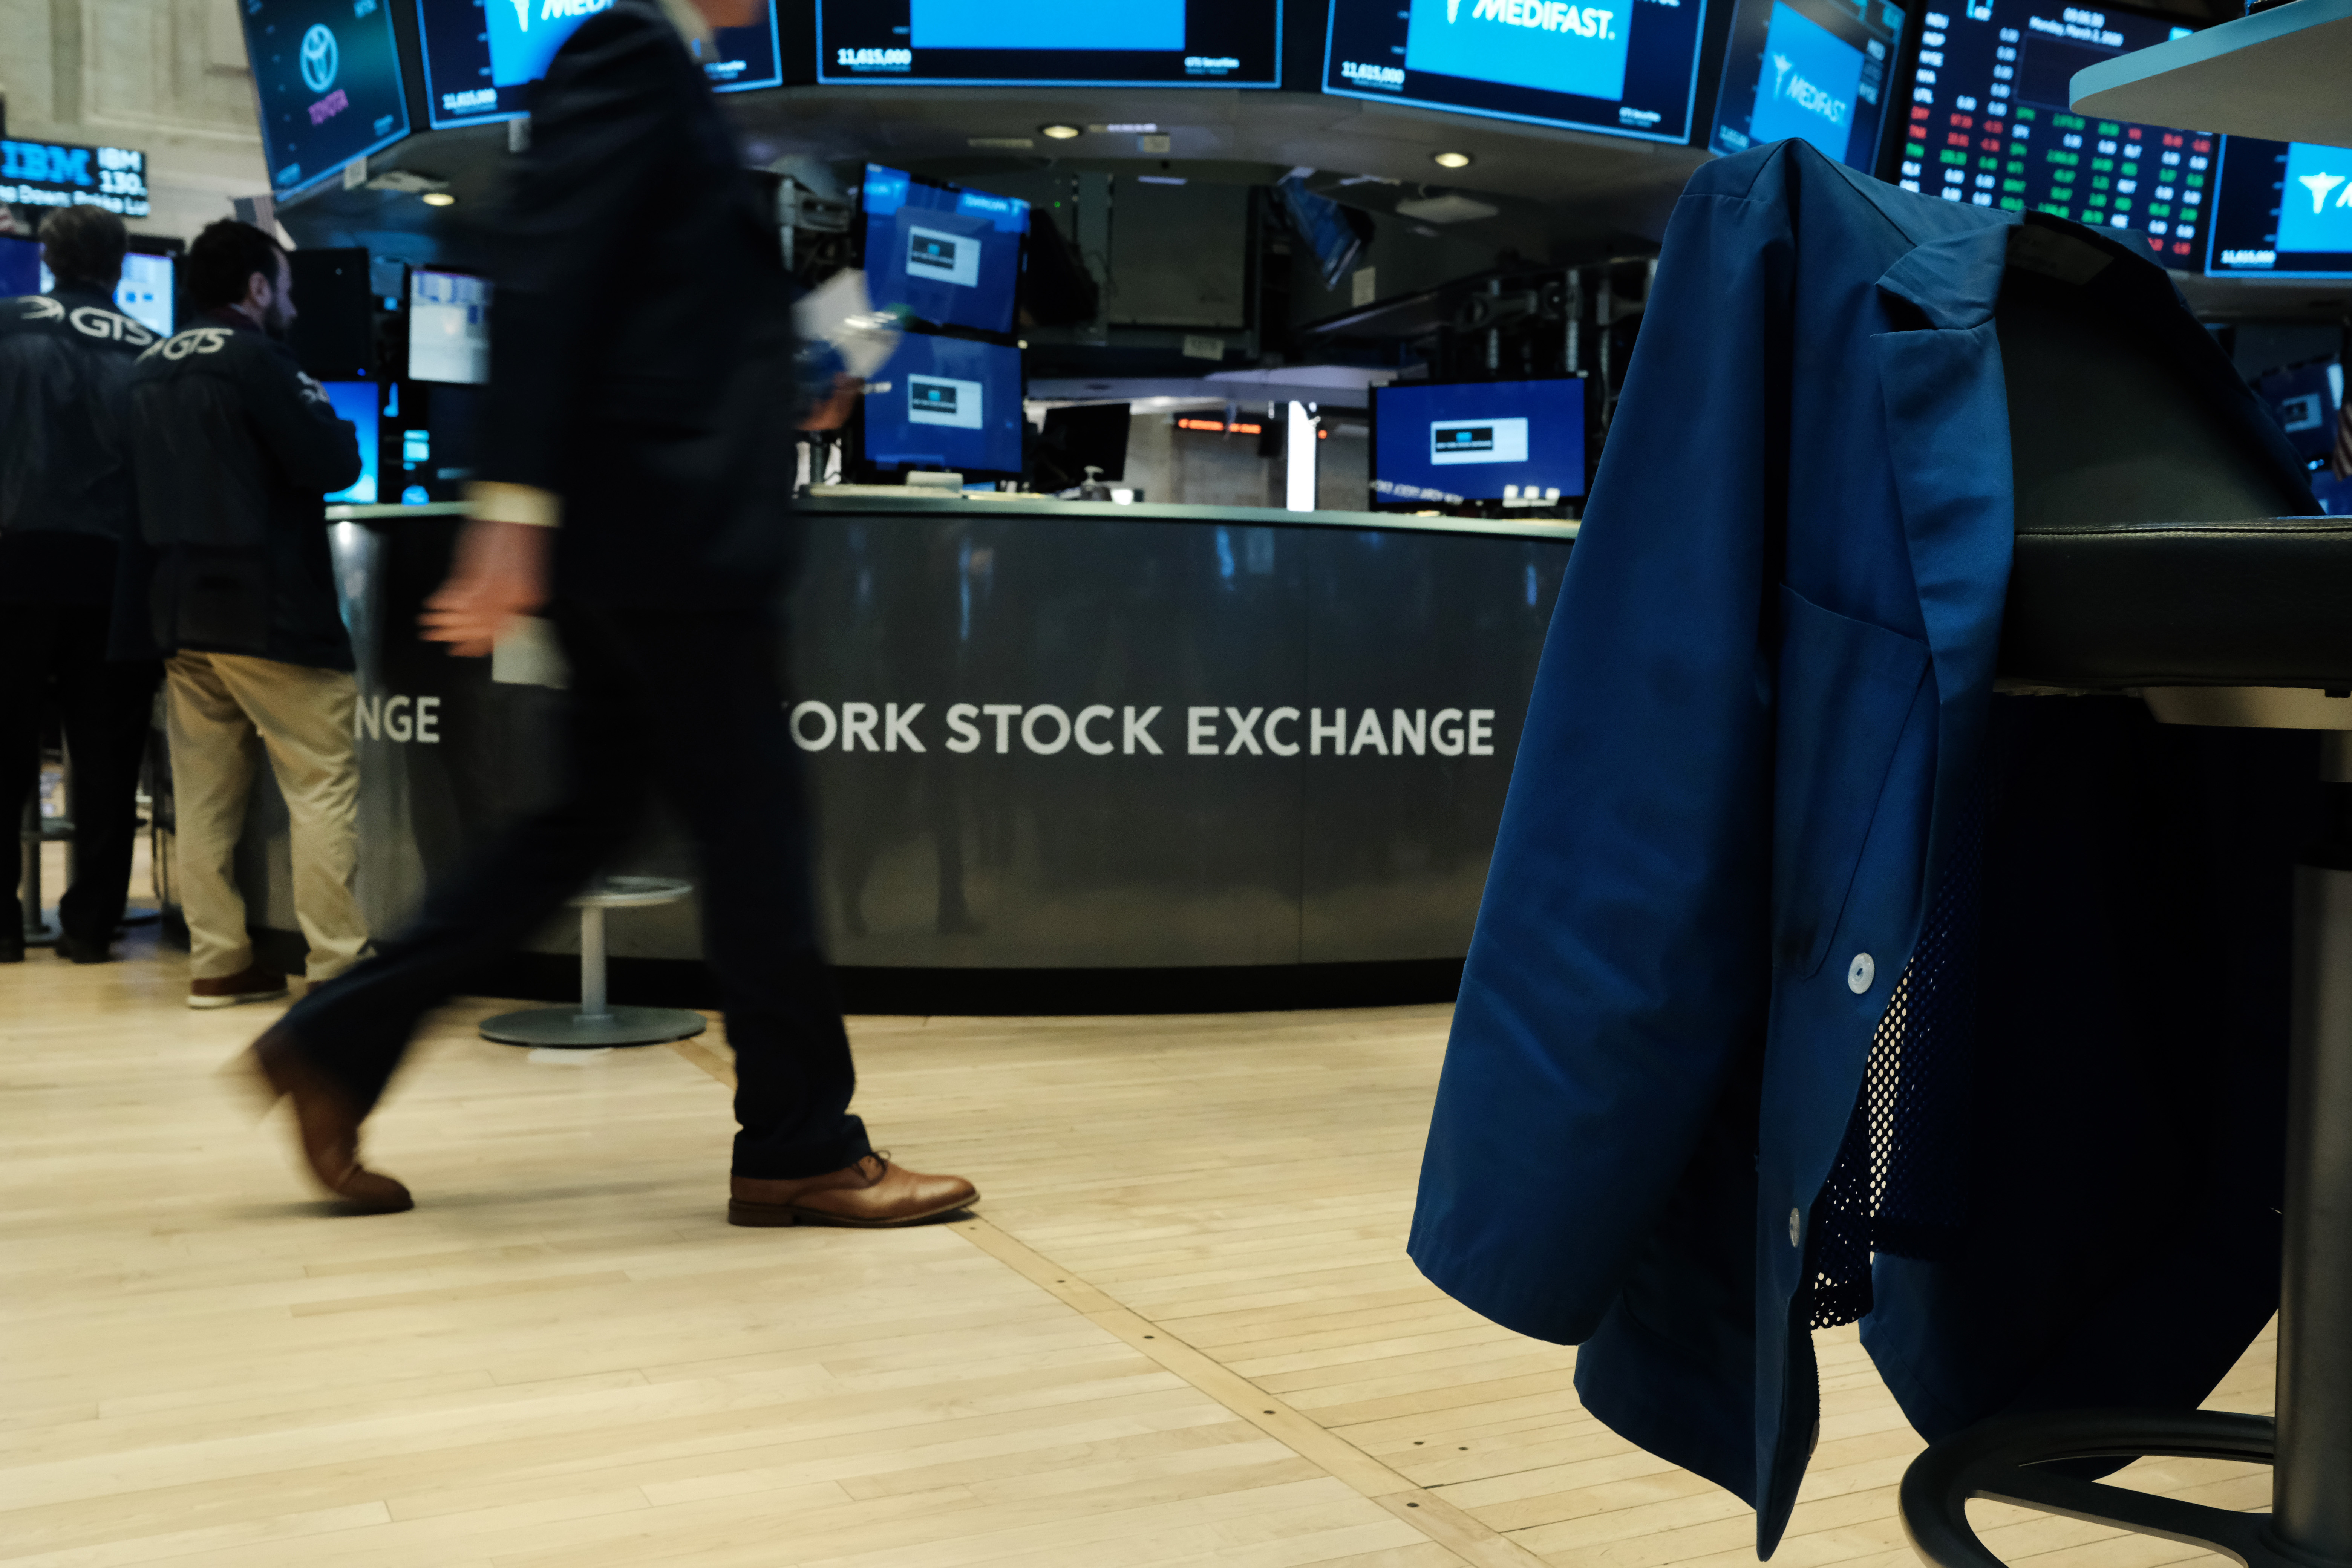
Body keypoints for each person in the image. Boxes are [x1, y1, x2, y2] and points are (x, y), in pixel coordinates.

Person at [238, 0, 977, 1228]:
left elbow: (649, 313)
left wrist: (799, 382)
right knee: (756, 843)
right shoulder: (629, 53)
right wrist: (512, 511)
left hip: (647, 532)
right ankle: (798, 1144)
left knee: (578, 827)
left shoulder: (668, 81)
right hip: (661, 540)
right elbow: (552, 278)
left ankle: (335, 1041)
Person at [131, 219, 369, 1008]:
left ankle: (220, 961)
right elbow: (335, 461)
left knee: (202, 796)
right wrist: (330, 414)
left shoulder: (144, 369)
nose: (293, 303)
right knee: (320, 785)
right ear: (257, 288)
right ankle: (337, 968)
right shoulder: (261, 360)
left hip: (177, 610)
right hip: (273, 609)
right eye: (286, 287)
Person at [0, 206, 165, 964]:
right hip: (115, 578)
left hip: (11, 565)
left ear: (48, 258)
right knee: (106, 762)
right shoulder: (154, 353)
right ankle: (91, 927)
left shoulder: (6, 324)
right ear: (122, 265)